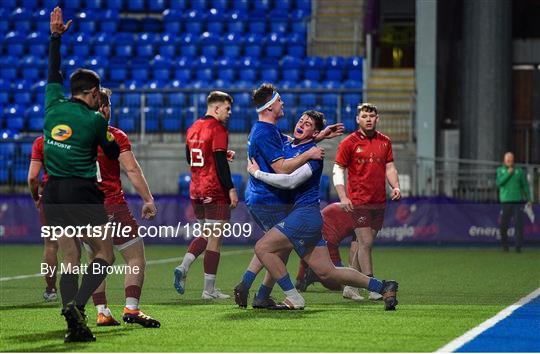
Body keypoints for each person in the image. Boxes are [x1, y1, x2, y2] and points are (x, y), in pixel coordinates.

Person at [247, 111, 399, 310]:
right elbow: (294, 142)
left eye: (308, 123)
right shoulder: (289, 145)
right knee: (328, 272)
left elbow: (289, 181)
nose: (301, 123)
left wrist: (256, 173)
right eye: (301, 120)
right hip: (305, 217)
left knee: (263, 248)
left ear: (314, 131)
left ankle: (292, 296)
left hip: (303, 215)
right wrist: (318, 135)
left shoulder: (315, 155)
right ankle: (383, 286)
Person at [42, 7, 120, 342]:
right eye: (97, 94)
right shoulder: (95, 120)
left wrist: (55, 37)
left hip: (53, 193)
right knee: (104, 253)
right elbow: (114, 153)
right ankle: (77, 305)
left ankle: (75, 326)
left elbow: (52, 72)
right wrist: (107, 117)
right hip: (81, 191)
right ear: (91, 94)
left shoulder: (51, 105)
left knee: (69, 258)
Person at [232, 83, 328, 309]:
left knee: (274, 246)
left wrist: (318, 137)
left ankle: (254, 290)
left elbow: (293, 144)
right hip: (268, 198)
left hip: (263, 197)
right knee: (274, 248)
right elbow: (284, 170)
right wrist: (310, 154)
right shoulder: (266, 132)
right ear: (269, 107)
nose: (283, 103)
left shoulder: (267, 129)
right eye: (279, 100)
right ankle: (268, 292)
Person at [84, 87, 160, 328]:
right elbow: (132, 170)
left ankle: (102, 312)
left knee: (96, 259)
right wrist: (148, 199)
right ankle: (132, 308)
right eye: (108, 107)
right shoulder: (114, 136)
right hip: (111, 206)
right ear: (103, 109)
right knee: (135, 256)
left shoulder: (74, 138)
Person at [173, 91, 238, 299]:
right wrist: (230, 188)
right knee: (215, 239)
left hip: (196, 190)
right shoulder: (218, 129)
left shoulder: (193, 127)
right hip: (214, 189)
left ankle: (183, 267)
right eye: (227, 109)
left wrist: (217, 156)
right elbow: (219, 163)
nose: (229, 113)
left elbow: (189, 157)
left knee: (206, 234)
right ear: (216, 108)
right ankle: (208, 290)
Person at [333, 103, 401, 300]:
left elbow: (390, 168)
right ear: (357, 119)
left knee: (361, 244)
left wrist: (395, 186)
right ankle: (373, 286)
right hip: (358, 201)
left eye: (372, 116)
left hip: (379, 201)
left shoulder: (385, 142)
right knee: (366, 242)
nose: (368, 119)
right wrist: (343, 196)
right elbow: (338, 170)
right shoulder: (348, 143)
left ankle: (349, 286)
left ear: (377, 119)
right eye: (364, 116)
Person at [28, 135, 58, 302]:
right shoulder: (79, 136)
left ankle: (51, 289)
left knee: (51, 245)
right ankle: (74, 289)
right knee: (74, 247)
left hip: (51, 194)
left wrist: (36, 198)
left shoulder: (42, 141)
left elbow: (32, 178)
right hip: (77, 193)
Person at [496, 151, 532, 253]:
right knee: (503, 224)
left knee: (518, 224)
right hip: (505, 202)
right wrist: (508, 173)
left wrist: (529, 198)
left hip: (517, 201)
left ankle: (518, 247)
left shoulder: (519, 171)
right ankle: (505, 246)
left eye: (511, 160)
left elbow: (524, 185)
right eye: (508, 160)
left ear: (513, 160)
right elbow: (499, 183)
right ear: (504, 160)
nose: (509, 161)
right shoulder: (500, 170)